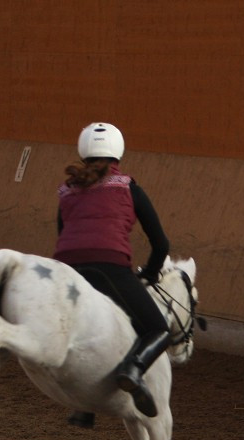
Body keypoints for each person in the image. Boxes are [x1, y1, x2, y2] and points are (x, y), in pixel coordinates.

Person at [54, 122, 171, 421]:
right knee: (158, 329)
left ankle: (84, 406)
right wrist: (151, 273)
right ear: (117, 152)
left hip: (66, 269)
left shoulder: (67, 190)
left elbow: (63, 235)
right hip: (110, 267)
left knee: (85, 332)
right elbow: (160, 243)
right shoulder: (128, 186)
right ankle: (133, 370)